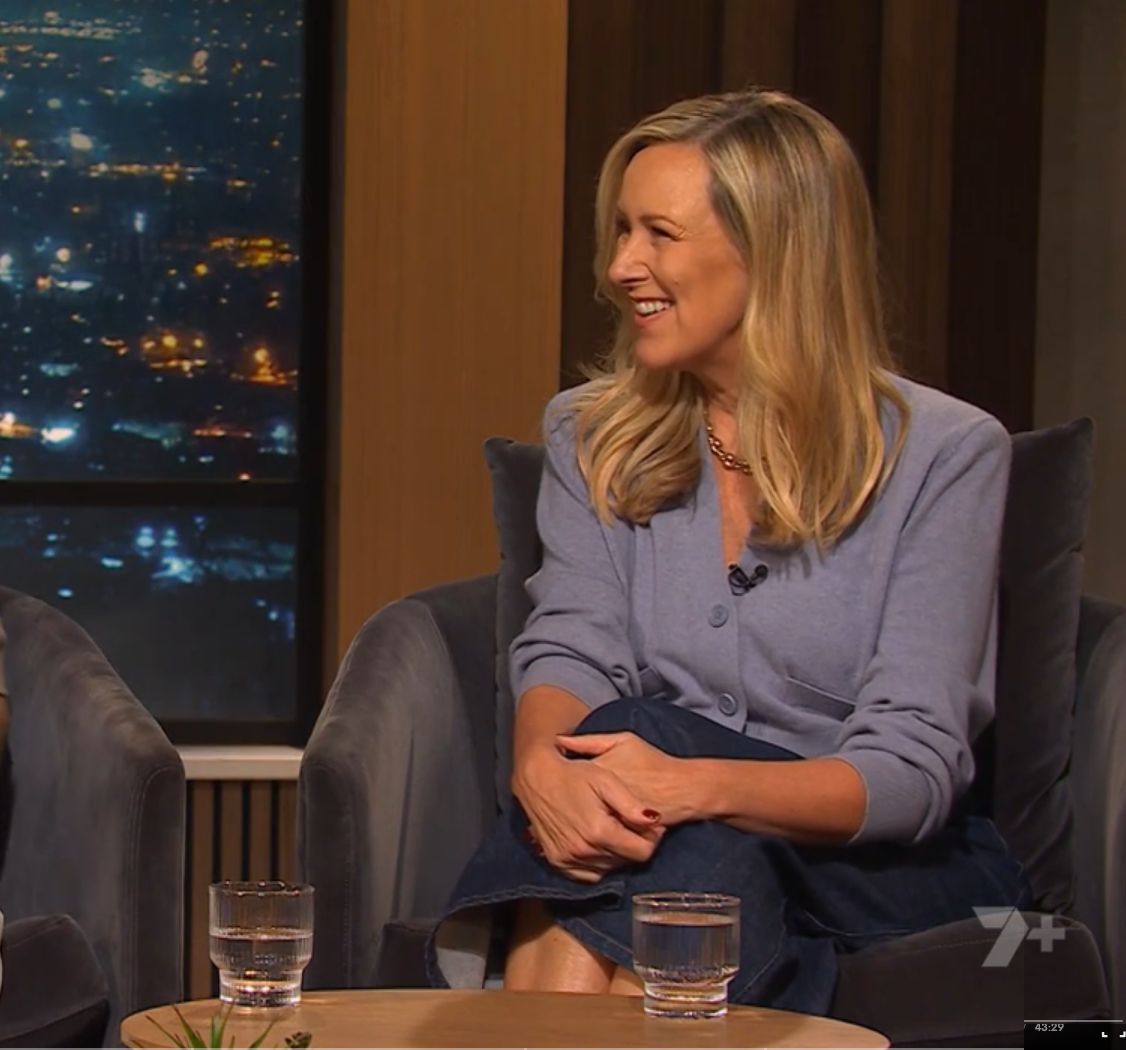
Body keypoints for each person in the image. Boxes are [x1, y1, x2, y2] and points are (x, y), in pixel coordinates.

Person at [426, 88, 1030, 1014]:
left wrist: (688, 785)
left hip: (885, 871)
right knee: (681, 838)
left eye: (659, 234)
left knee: (650, 759)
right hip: (680, 855)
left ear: (774, 252)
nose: (621, 266)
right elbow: (574, 643)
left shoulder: (943, 454)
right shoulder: (595, 433)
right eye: (621, 230)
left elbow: (911, 769)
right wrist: (541, 765)